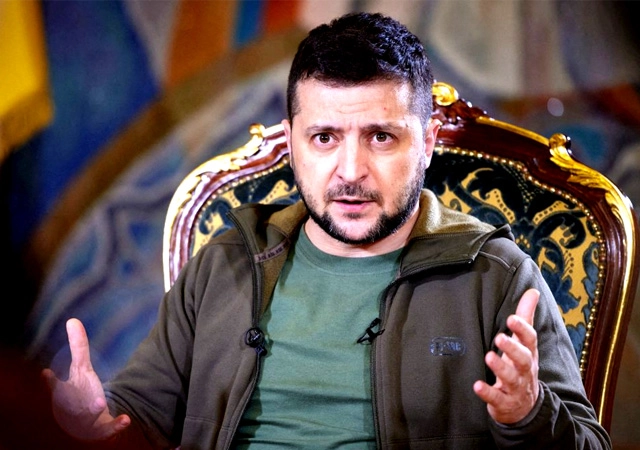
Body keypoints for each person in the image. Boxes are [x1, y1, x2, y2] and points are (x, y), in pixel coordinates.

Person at [43, 11, 611, 450]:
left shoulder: (498, 276)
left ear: (428, 143)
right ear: (292, 143)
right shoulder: (226, 261)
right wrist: (93, 421)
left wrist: (528, 412)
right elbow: (136, 415)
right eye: (324, 138)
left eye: (381, 137)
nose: (350, 171)